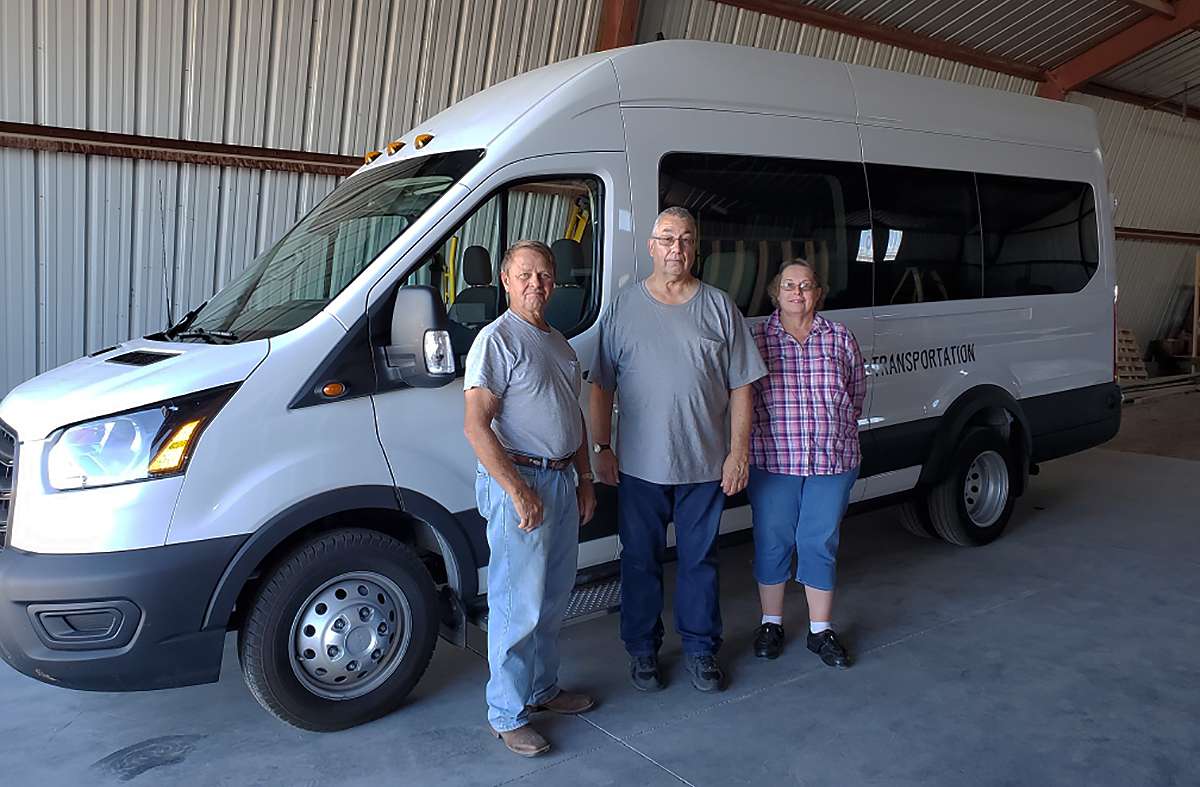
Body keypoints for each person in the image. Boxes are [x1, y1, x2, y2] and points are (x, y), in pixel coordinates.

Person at [590, 207, 766, 693]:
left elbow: (742, 387)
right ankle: (643, 650)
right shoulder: (623, 306)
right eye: (667, 238)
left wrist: (738, 453)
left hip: (704, 466)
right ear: (651, 246)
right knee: (639, 562)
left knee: (699, 562)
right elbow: (601, 385)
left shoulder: (719, 307)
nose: (676, 248)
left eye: (686, 239)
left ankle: (701, 650)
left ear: (695, 248)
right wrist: (601, 447)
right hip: (639, 469)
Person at [463, 240, 598, 757]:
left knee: (551, 598)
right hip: (523, 484)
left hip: (561, 482)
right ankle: (507, 712)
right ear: (505, 279)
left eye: (544, 275)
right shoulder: (497, 341)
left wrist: (584, 477)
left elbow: (574, 416)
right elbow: (477, 426)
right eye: (525, 275)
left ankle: (542, 689)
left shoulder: (558, 342)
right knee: (517, 604)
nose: (535, 284)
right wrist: (517, 490)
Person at [746, 260, 865, 667]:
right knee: (773, 539)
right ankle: (771, 623)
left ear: (818, 293)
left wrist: (834, 431)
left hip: (832, 460)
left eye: (807, 286)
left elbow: (855, 393)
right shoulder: (756, 337)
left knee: (820, 541)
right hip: (773, 459)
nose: (798, 293)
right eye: (790, 286)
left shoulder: (839, 337)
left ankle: (820, 631)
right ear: (775, 292)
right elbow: (740, 398)